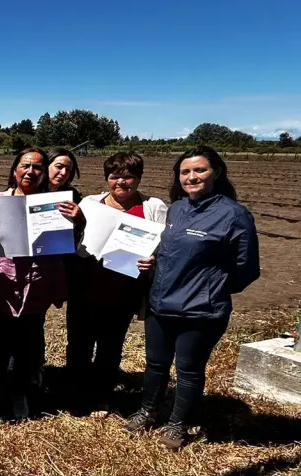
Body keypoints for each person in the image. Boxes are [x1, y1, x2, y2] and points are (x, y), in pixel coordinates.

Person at [124, 146, 259, 449]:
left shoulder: (234, 216)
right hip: (161, 303)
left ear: (217, 172)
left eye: (200, 170)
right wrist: (154, 264)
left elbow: (247, 269)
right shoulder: (177, 208)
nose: (191, 177)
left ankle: (177, 424)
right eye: (185, 171)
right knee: (155, 364)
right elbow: (170, 252)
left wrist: (210, 288)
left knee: (188, 369)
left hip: (200, 311)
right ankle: (148, 410)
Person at [0, 147, 76, 419]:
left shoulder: (55, 205)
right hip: (4, 285)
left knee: (28, 344)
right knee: (1, 341)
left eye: (38, 167)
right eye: (25, 165)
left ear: (44, 173)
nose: (31, 172)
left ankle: (20, 393)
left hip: (38, 286)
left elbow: (67, 247)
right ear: (15, 168)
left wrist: (76, 221)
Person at [65, 153, 167, 414]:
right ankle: (76, 395)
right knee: (79, 345)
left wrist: (152, 261)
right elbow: (75, 240)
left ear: (139, 178)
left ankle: (102, 395)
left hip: (123, 292)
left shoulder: (153, 207)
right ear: (106, 179)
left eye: (129, 176)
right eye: (115, 176)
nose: (122, 182)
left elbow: (164, 246)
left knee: (110, 347)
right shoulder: (89, 203)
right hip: (86, 288)